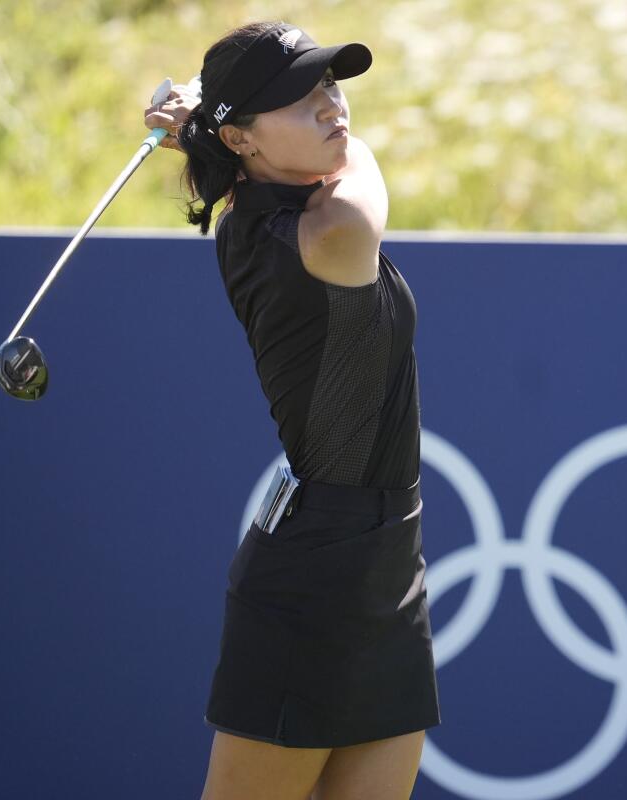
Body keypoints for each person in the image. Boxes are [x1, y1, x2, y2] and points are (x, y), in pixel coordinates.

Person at [143, 20, 440, 800]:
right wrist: (205, 124)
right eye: (299, 98)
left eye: (331, 86)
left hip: (381, 557)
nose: (333, 108)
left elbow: (277, 160)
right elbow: (358, 169)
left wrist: (207, 127)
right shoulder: (329, 231)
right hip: (312, 577)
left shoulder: (253, 197)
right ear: (242, 137)